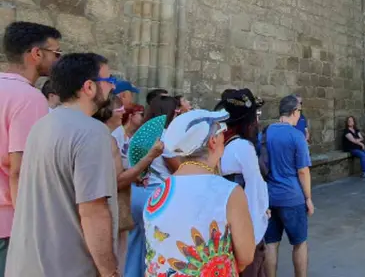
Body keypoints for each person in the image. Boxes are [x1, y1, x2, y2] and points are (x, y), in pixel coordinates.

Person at [6, 53, 118, 277]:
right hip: (68, 267)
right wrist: (110, 272)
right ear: (89, 87)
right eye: (109, 81)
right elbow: (93, 211)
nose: (112, 87)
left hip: (26, 264)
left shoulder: (41, 126)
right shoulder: (92, 132)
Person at [143, 109, 255, 276]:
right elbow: (246, 256)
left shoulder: (158, 192)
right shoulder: (229, 193)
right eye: (222, 131)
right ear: (213, 141)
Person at [0, 21, 61, 274]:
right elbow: (20, 170)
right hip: (9, 223)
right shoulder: (29, 97)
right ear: (36, 54)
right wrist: (29, 228)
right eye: (56, 53)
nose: (58, 60)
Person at [94, 97, 162, 272]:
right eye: (120, 109)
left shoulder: (103, 136)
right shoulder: (107, 138)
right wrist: (149, 157)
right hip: (107, 206)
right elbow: (117, 181)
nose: (124, 112)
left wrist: (134, 176)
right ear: (107, 113)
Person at [124, 95, 181, 277]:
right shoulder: (165, 136)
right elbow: (179, 169)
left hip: (135, 192)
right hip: (156, 196)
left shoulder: (139, 134)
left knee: (134, 244)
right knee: (155, 246)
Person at [216, 88, 269, 277]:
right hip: (245, 228)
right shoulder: (242, 147)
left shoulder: (219, 142)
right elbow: (254, 190)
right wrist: (260, 219)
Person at [264, 95, 313, 277]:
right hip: (292, 197)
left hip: (270, 197)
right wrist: (308, 198)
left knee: (271, 244)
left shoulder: (266, 132)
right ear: (294, 112)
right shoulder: (297, 136)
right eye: (299, 110)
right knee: (299, 243)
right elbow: (303, 171)